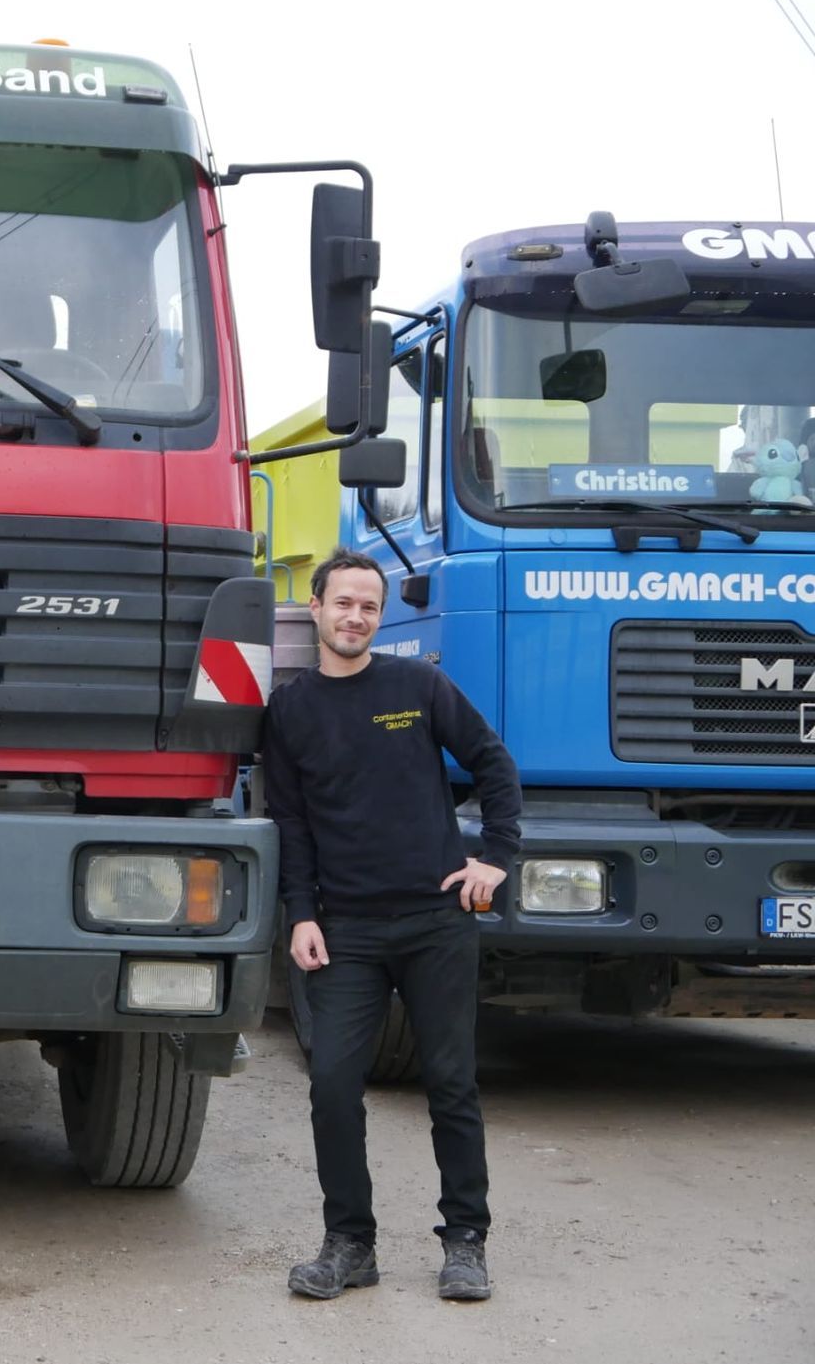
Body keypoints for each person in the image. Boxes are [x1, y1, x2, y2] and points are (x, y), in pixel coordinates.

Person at [262, 548, 522, 1303]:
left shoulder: (418, 685)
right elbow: (291, 823)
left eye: (369, 607)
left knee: (450, 1081)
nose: (356, 617)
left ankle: (465, 1241)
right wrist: (300, 915)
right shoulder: (290, 711)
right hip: (346, 929)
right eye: (343, 603)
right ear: (315, 607)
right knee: (333, 1085)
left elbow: (494, 764)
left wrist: (495, 857)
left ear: (381, 616)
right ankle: (351, 1243)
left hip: (436, 921)